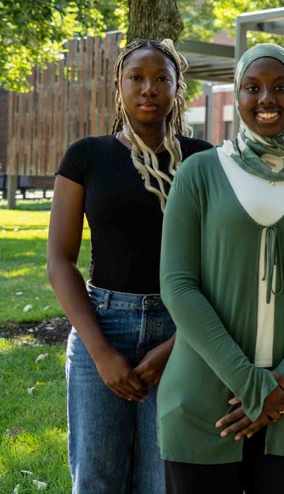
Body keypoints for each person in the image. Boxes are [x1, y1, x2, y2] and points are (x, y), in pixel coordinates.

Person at [157, 43, 284, 493]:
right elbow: (177, 284)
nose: (266, 98)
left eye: (280, 87)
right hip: (204, 396)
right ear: (237, 94)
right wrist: (251, 385)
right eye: (252, 87)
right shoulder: (199, 172)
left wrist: (281, 386)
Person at [47, 38, 212, 493]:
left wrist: (179, 345)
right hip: (102, 324)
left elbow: (218, 264)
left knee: (163, 479)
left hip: (181, 325)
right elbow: (59, 261)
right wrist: (101, 353)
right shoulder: (87, 156)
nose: (148, 88)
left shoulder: (203, 159)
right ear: (118, 84)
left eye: (161, 78)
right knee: (96, 479)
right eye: (136, 77)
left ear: (177, 88)